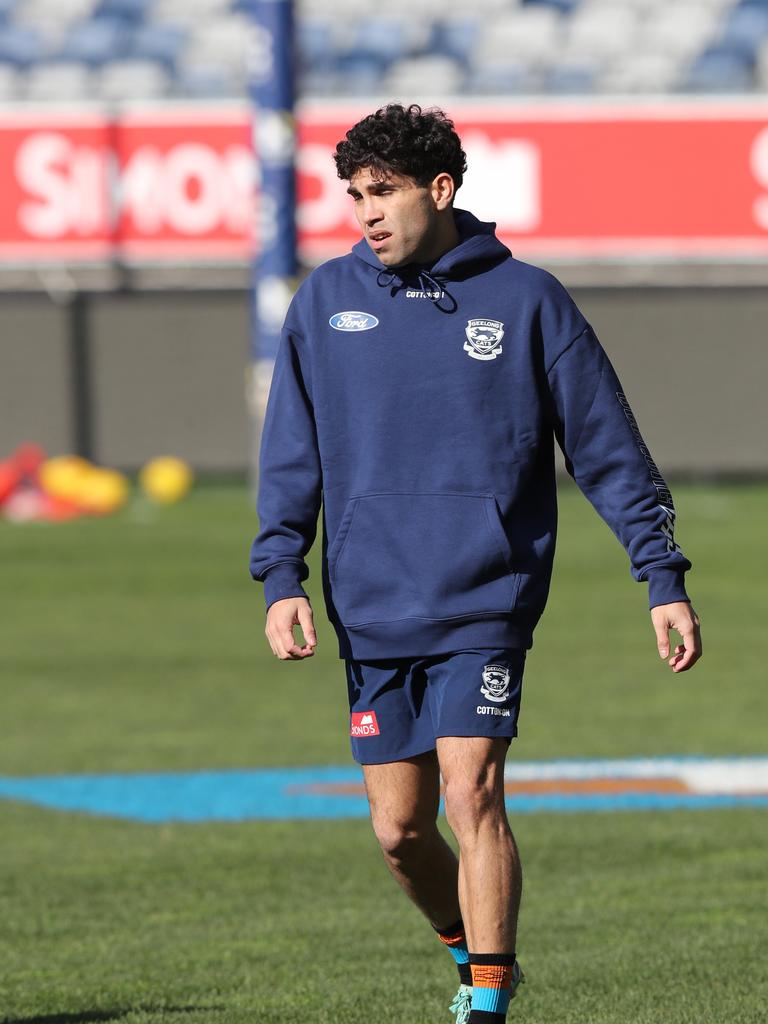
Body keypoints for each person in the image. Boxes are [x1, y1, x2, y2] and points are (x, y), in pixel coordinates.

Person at [250, 103, 702, 1024]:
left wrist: (661, 578)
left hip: (484, 597)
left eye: (383, 192)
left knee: (473, 793)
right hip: (371, 605)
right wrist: (282, 575)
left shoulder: (529, 299)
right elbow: (291, 453)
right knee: (400, 833)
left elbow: (609, 449)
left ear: (440, 189)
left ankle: (487, 1006)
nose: (364, 212)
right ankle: (475, 958)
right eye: (353, 195)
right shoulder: (323, 301)